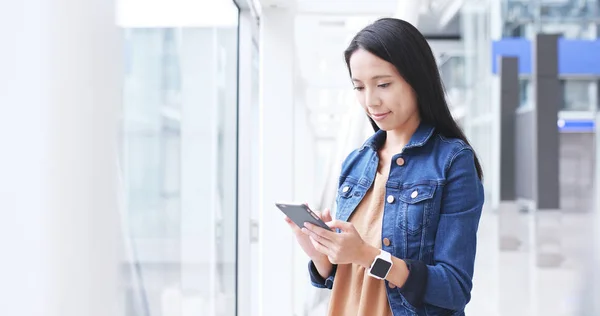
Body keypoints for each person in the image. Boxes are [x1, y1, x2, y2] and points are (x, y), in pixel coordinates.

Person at [284, 18, 485, 316]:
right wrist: (320, 252)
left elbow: (453, 289)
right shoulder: (357, 162)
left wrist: (366, 255)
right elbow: (346, 275)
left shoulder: (452, 162)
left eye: (383, 84)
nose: (370, 101)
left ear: (416, 79)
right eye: (359, 87)